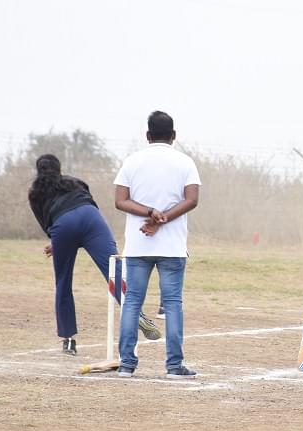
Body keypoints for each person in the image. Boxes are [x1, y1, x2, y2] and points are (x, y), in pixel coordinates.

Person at [28, 154, 161, 355]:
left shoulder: (35, 193)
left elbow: (47, 223)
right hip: (91, 218)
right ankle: (136, 314)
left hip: (62, 226)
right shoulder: (74, 182)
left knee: (63, 282)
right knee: (115, 269)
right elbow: (90, 203)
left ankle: (69, 340)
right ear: (59, 168)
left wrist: (58, 241)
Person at [113, 111, 201, 378]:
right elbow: (192, 199)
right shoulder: (185, 162)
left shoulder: (132, 161)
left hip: (139, 246)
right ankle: (174, 366)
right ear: (173, 136)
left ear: (148, 136)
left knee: (132, 303)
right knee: (173, 304)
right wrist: (162, 219)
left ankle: (127, 365)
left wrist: (151, 213)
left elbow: (120, 200)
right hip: (172, 247)